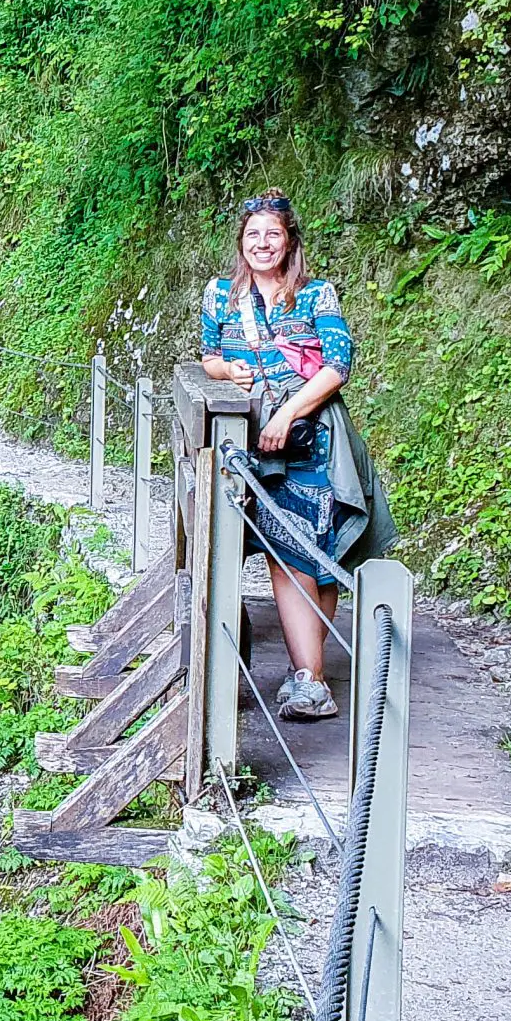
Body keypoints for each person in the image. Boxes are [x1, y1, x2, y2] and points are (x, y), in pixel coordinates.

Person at [199, 189, 356, 718]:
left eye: (273, 234)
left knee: (319, 554)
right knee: (284, 551)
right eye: (252, 236)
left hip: (311, 441)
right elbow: (208, 356)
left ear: (289, 241)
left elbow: (338, 365)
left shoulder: (315, 296)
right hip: (248, 447)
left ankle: (308, 672)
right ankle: (309, 678)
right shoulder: (221, 295)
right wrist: (226, 372)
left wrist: (289, 411)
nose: (262, 244)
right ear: (240, 243)